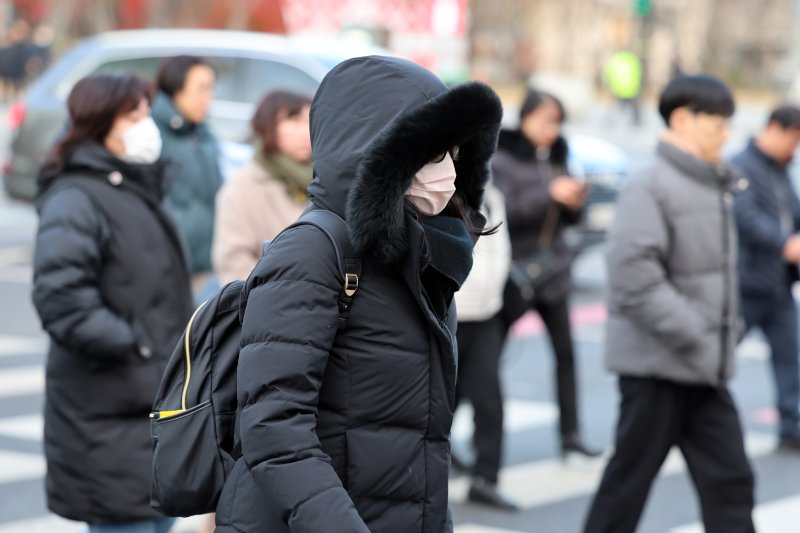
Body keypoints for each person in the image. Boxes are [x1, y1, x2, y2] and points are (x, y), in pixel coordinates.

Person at [213, 55, 502, 532]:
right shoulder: (310, 253)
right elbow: (274, 427)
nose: (448, 169)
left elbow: (419, 438)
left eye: (453, 152)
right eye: (432, 154)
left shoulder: (423, 255)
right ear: (378, 158)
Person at [582, 75, 755, 533]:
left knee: (731, 483)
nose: (725, 134)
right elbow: (633, 279)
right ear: (681, 118)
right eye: (716, 123)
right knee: (627, 488)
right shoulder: (650, 183)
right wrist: (697, 331)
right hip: (657, 368)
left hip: (702, 368)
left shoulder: (710, 181)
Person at [31, 74, 193, 533]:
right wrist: (137, 347)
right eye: (134, 114)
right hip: (108, 414)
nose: (148, 124)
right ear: (102, 121)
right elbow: (61, 300)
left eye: (146, 112)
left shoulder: (134, 189)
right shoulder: (78, 197)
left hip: (148, 411)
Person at [492, 89, 599, 458]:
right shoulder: (502, 158)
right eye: (545, 121)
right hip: (515, 272)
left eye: (557, 122)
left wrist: (574, 202)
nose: (551, 130)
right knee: (485, 361)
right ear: (525, 119)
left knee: (566, 356)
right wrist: (549, 194)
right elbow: (504, 214)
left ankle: (571, 435)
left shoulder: (559, 156)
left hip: (553, 272)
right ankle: (454, 431)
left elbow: (571, 221)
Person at [730, 105, 800, 451]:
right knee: (719, 356)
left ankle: (793, 425)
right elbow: (746, 218)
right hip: (746, 282)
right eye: (793, 139)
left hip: (779, 284)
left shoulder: (780, 170)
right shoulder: (742, 165)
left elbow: (793, 213)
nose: (795, 149)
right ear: (774, 128)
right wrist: (784, 243)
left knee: (791, 357)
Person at [452, 182, 518, 510]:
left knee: (489, 401)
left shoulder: (493, 194)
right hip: (450, 314)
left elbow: (501, 247)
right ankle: (434, 466)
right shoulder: (440, 189)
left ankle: (485, 479)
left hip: (487, 314)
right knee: (439, 399)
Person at [212, 90, 312, 284]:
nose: (305, 131)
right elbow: (234, 265)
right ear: (268, 126)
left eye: (309, 122)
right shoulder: (242, 188)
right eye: (294, 121)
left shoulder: (322, 179)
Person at [152, 55, 223, 295]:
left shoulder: (203, 134)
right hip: (166, 267)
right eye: (201, 88)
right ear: (175, 88)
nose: (208, 97)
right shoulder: (151, 134)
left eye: (211, 88)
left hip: (205, 266)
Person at [603, 49, 643, 126]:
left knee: (613, 107)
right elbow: (639, 73)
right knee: (634, 109)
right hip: (631, 88)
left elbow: (607, 73)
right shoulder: (632, 59)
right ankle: (636, 121)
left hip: (617, 88)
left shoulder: (615, 59)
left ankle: (609, 122)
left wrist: (609, 85)